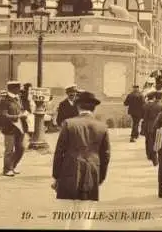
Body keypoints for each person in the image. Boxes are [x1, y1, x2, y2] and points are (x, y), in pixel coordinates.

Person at [52, 91, 110, 230]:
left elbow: (59, 152)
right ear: (94, 108)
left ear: (78, 107)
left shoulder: (69, 124)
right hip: (92, 171)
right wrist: (100, 177)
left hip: (69, 170)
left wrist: (56, 176)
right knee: (85, 216)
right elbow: (106, 155)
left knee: (64, 215)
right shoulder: (102, 127)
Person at [0, 81, 28, 177]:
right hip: (9, 128)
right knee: (9, 150)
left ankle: (13, 166)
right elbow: (3, 115)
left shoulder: (18, 99)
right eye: (18, 88)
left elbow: (21, 109)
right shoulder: (4, 100)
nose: (20, 90)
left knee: (21, 148)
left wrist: (24, 113)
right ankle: (7, 169)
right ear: (13, 88)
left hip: (20, 128)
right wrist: (18, 116)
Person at [142, 91, 162, 166]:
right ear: (161, 97)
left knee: (151, 142)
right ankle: (158, 158)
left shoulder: (150, 105)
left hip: (150, 126)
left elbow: (145, 117)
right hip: (160, 127)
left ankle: (154, 158)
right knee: (159, 142)